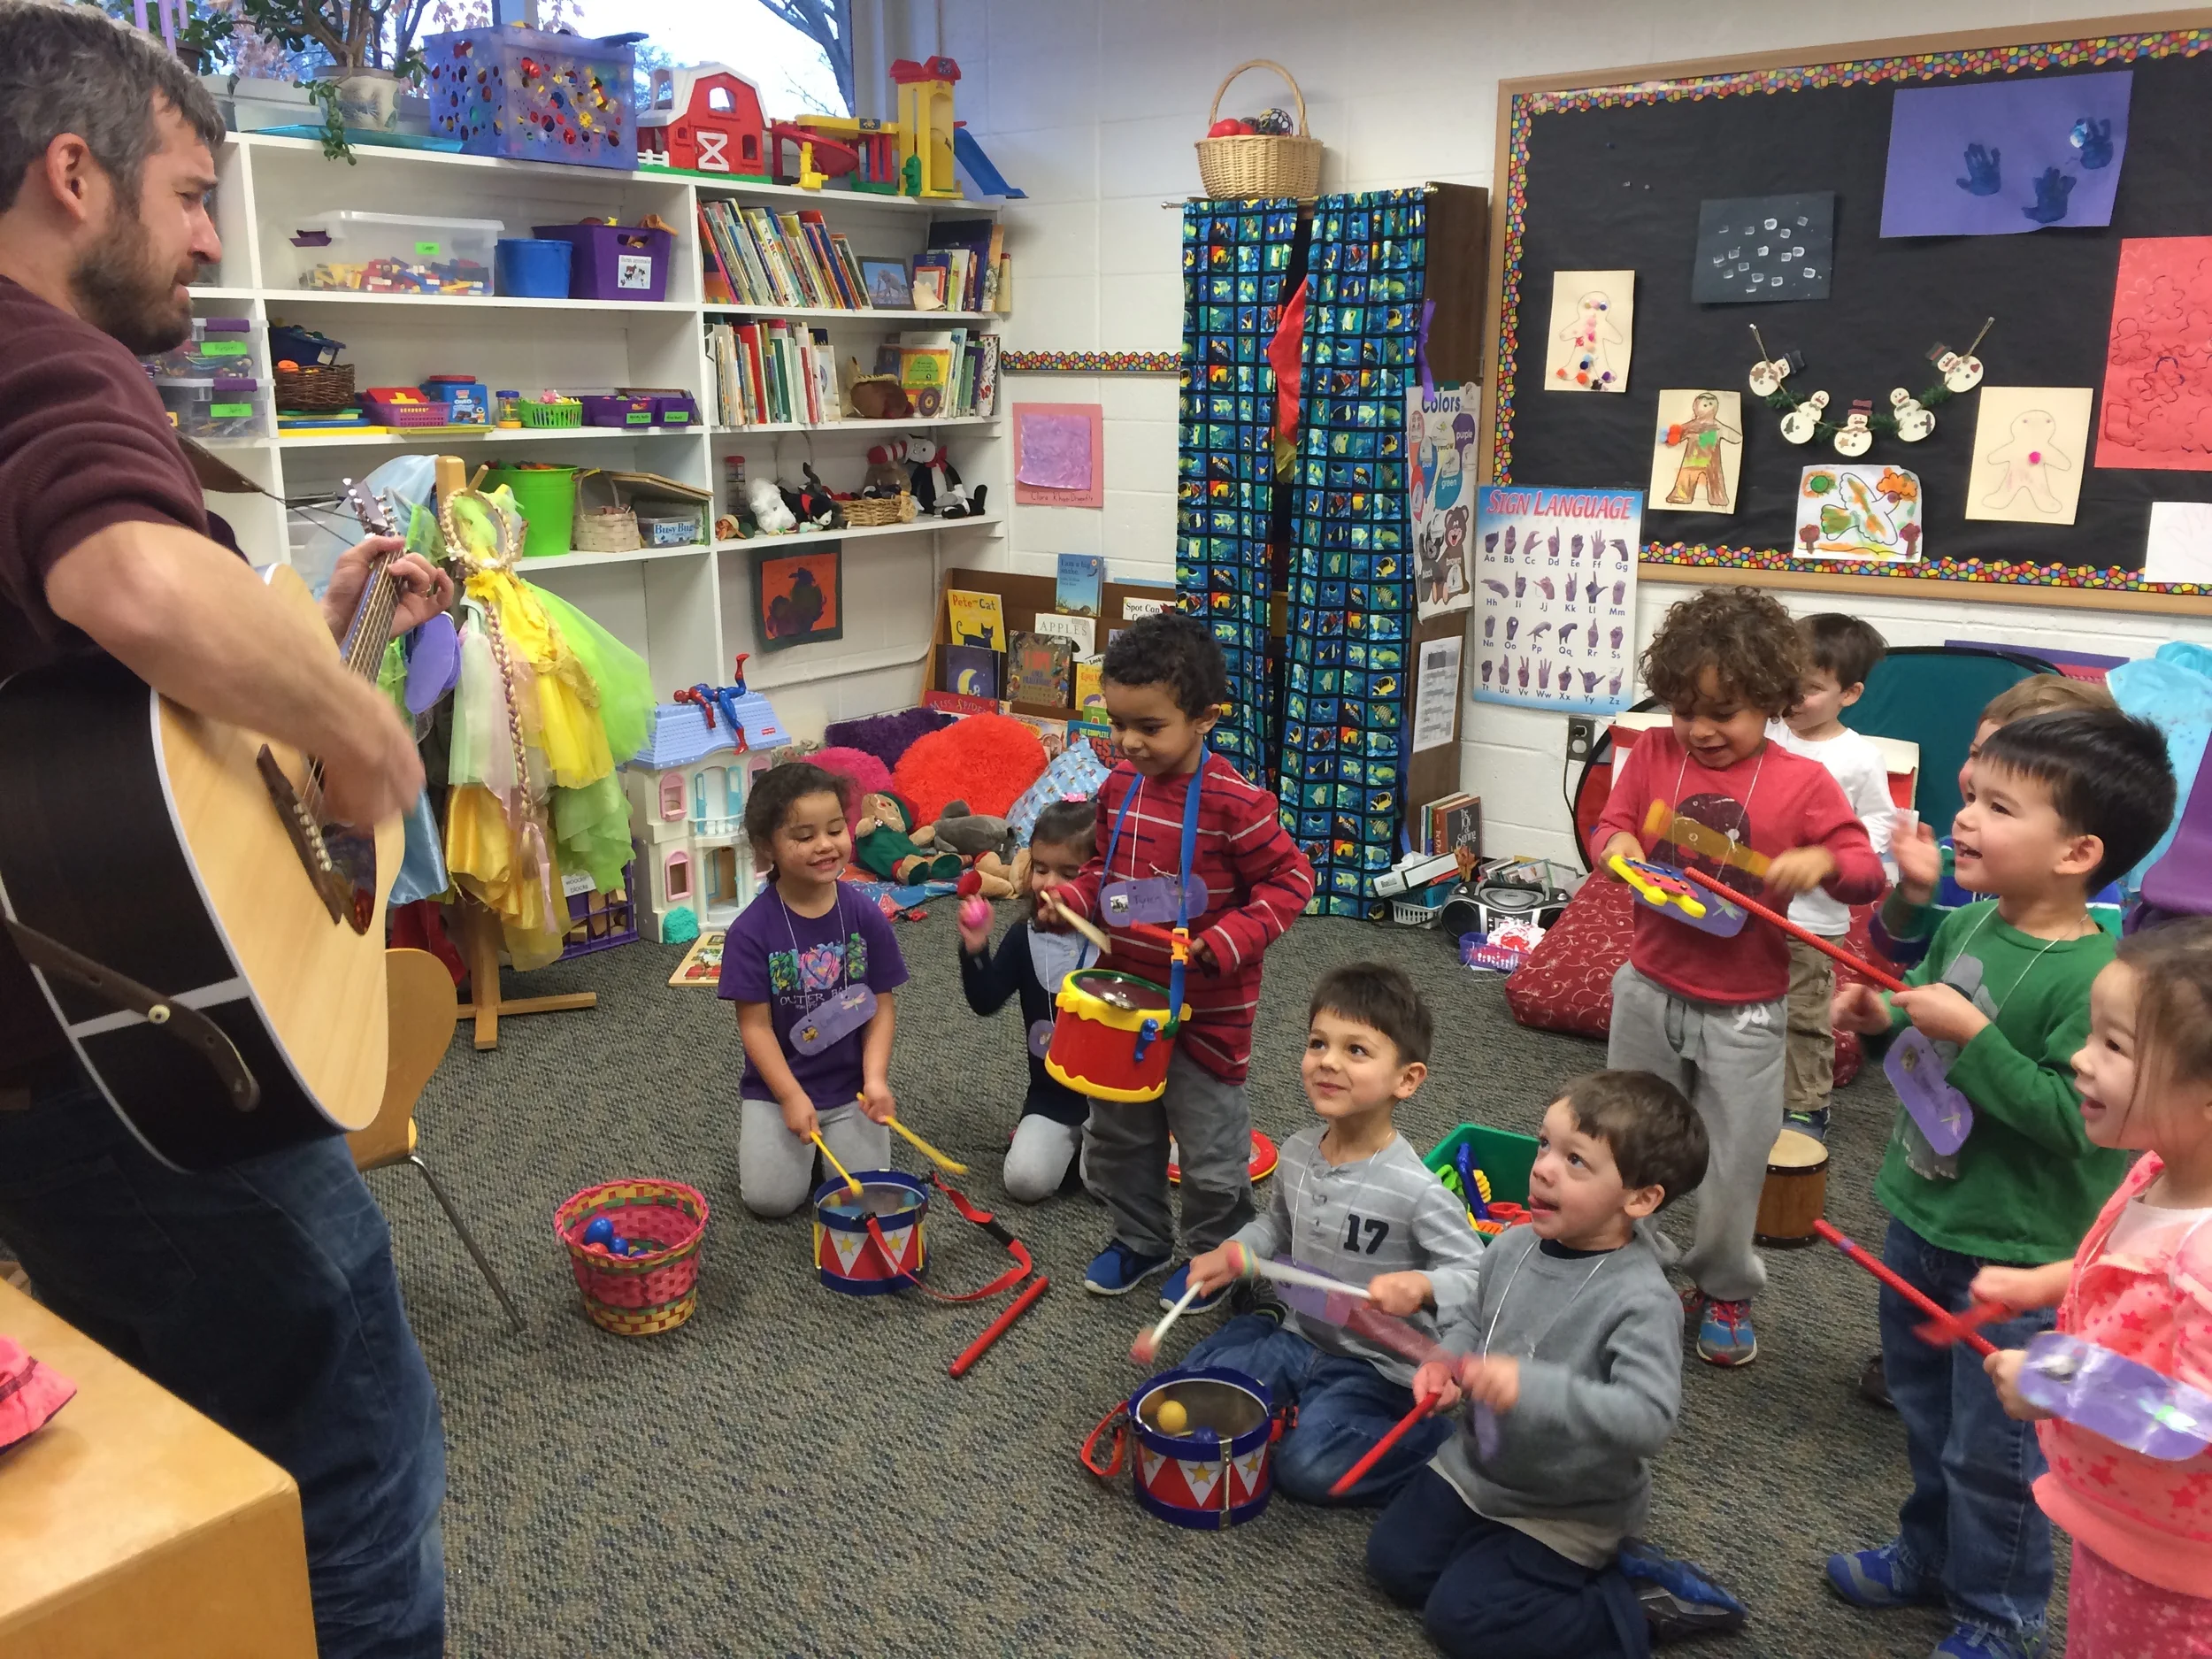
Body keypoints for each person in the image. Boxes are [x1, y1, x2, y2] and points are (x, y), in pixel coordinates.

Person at [0, 9, 454, 1654]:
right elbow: (125, 580)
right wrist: (364, 728)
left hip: (66, 1036)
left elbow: (115, 717)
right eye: (190, 192)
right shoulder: (47, 352)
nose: (208, 234)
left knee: (194, 1451)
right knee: (347, 1460)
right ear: (72, 175)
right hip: (141, 1065)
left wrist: (319, 643)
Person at [1825, 708, 2176, 1659]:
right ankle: (1927, 1556)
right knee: (1926, 1414)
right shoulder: (1972, 920)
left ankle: (1997, 1611)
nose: (1964, 817)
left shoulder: (2101, 977)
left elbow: (2075, 1126)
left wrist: (1970, 1037)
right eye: (1971, 795)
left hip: (2016, 1253)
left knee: (1996, 1450)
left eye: (1997, 806)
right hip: (1925, 1214)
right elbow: (1920, 1036)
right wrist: (1879, 1017)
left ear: (2078, 852)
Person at [1594, 587, 1886, 1366]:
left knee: (1734, 1162)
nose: (1700, 729)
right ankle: (1632, 1268)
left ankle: (1723, 1285)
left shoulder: (1805, 782)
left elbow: (1866, 872)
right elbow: (1613, 823)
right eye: (1686, 708)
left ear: (1772, 699)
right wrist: (1615, 850)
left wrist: (1823, 859)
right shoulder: (1655, 753)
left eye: (1724, 712)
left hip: (1747, 1011)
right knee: (1626, 1140)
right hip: (1648, 986)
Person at [1366, 1071, 1711, 1659]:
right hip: (1479, 1467)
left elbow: (1650, 1419)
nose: (1544, 1167)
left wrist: (1533, 1386)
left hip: (1568, 1506)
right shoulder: (1511, 1244)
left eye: (1576, 1161)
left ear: (1641, 1198)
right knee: (1393, 1564)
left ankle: (1634, 1609)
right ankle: (1502, 1562)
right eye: (1545, 1143)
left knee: (1459, 1619)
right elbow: (1476, 1318)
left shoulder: (1643, 1300)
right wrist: (1448, 1360)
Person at [1035, 612, 1315, 1309]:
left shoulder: (1236, 804)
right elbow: (1103, 872)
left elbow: (1292, 881)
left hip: (1207, 1016)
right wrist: (1071, 893)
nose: (1128, 741)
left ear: (1205, 719)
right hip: (1125, 1003)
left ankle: (1215, 1257)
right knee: (1119, 1136)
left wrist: (1227, 940)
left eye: (1149, 727)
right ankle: (1138, 1238)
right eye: (1117, 722)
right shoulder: (1117, 788)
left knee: (1212, 1155)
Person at [1978, 920, 2212, 1659]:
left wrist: (2054, 1379)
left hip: (2180, 1578)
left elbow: (2191, 1414)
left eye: (2115, 1046)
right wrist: (2048, 1281)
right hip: (2123, 1522)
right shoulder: (2158, 1167)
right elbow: (2131, 1265)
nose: (2079, 1059)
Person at [1176, 964, 1484, 1504]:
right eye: (1318, 1043)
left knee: (1307, 1471)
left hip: (1375, 1367)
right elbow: (1277, 1226)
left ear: (1406, 1080)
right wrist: (1237, 1250)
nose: (1329, 1062)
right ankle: (1268, 1349)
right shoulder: (1296, 1153)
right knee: (1190, 1391)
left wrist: (1424, 1285)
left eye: (1356, 1051)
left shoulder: (1418, 1191)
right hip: (1301, 1337)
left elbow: (1478, 1275)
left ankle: (1443, 1448)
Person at [718, 763, 907, 1217]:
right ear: (768, 850)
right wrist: (789, 1096)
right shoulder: (750, 932)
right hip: (779, 1089)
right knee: (770, 1202)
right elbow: (756, 1028)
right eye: (804, 837)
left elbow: (881, 1005)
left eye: (836, 829)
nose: (825, 845)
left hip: (850, 1090)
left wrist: (875, 1079)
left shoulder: (865, 915)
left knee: (871, 1202)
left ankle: (830, 1145)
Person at [1875, 674, 2123, 968]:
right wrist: (1915, 891)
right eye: (1977, 754)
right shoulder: (1945, 857)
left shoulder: (2090, 895)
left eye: (2006, 767)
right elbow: (1891, 951)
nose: (1980, 774)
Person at [1768, 612, 1895, 1140]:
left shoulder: (1859, 758)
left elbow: (1880, 822)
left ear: (1851, 693)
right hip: (1748, 904)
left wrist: (1830, 858)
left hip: (1812, 918)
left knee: (1801, 1014)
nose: (1796, 699)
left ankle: (1804, 1105)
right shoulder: (1765, 733)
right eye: (1789, 683)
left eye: (1814, 689)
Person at [956, 795, 1098, 1202]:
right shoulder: (1025, 938)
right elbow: (985, 1001)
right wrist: (976, 948)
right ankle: (1057, 1142)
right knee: (1024, 1182)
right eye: (1041, 869)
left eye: (1069, 873)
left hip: (1116, 1105)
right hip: (1051, 1096)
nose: (1049, 885)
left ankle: (1094, 1151)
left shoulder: (1119, 942)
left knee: (1106, 1189)